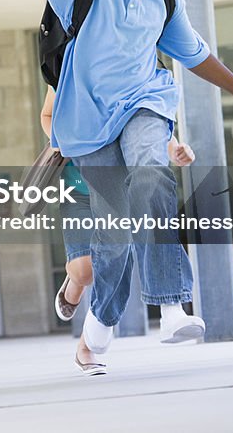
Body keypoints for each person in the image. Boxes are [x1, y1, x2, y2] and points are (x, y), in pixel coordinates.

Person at [16, 0, 233, 366]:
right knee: (112, 233)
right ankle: (101, 320)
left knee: (152, 176)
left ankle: (172, 305)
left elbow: (195, 55)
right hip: (88, 123)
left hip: (145, 102)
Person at [40, 86, 195, 376]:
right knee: (85, 271)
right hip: (79, 190)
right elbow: (48, 115)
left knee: (117, 251)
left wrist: (173, 148)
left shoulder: (128, 71)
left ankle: (86, 348)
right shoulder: (67, 66)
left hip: (119, 191)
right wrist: (62, 140)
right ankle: (73, 286)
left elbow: (147, 122)